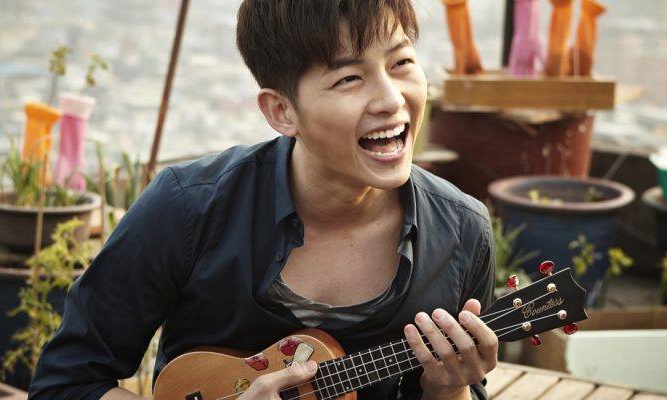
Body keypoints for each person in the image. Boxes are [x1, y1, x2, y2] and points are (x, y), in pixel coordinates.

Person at [29, 0, 498, 399]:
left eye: (401, 63)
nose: (392, 100)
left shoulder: (462, 232)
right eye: (349, 79)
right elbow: (64, 383)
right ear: (282, 110)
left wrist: (448, 389)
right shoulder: (187, 208)